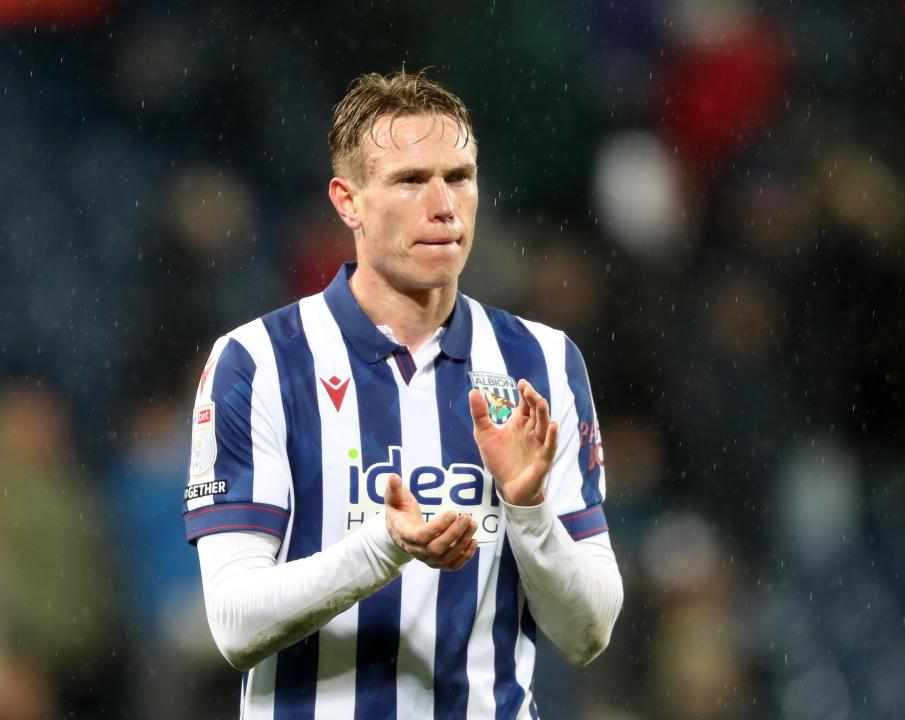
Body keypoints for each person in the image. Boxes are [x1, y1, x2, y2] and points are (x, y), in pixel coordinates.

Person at [184, 70, 624, 720]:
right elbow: (234, 624)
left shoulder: (542, 363)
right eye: (411, 180)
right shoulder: (259, 362)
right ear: (348, 200)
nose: (444, 205)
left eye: (460, 176)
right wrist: (383, 548)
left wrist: (529, 509)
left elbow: (587, 634)